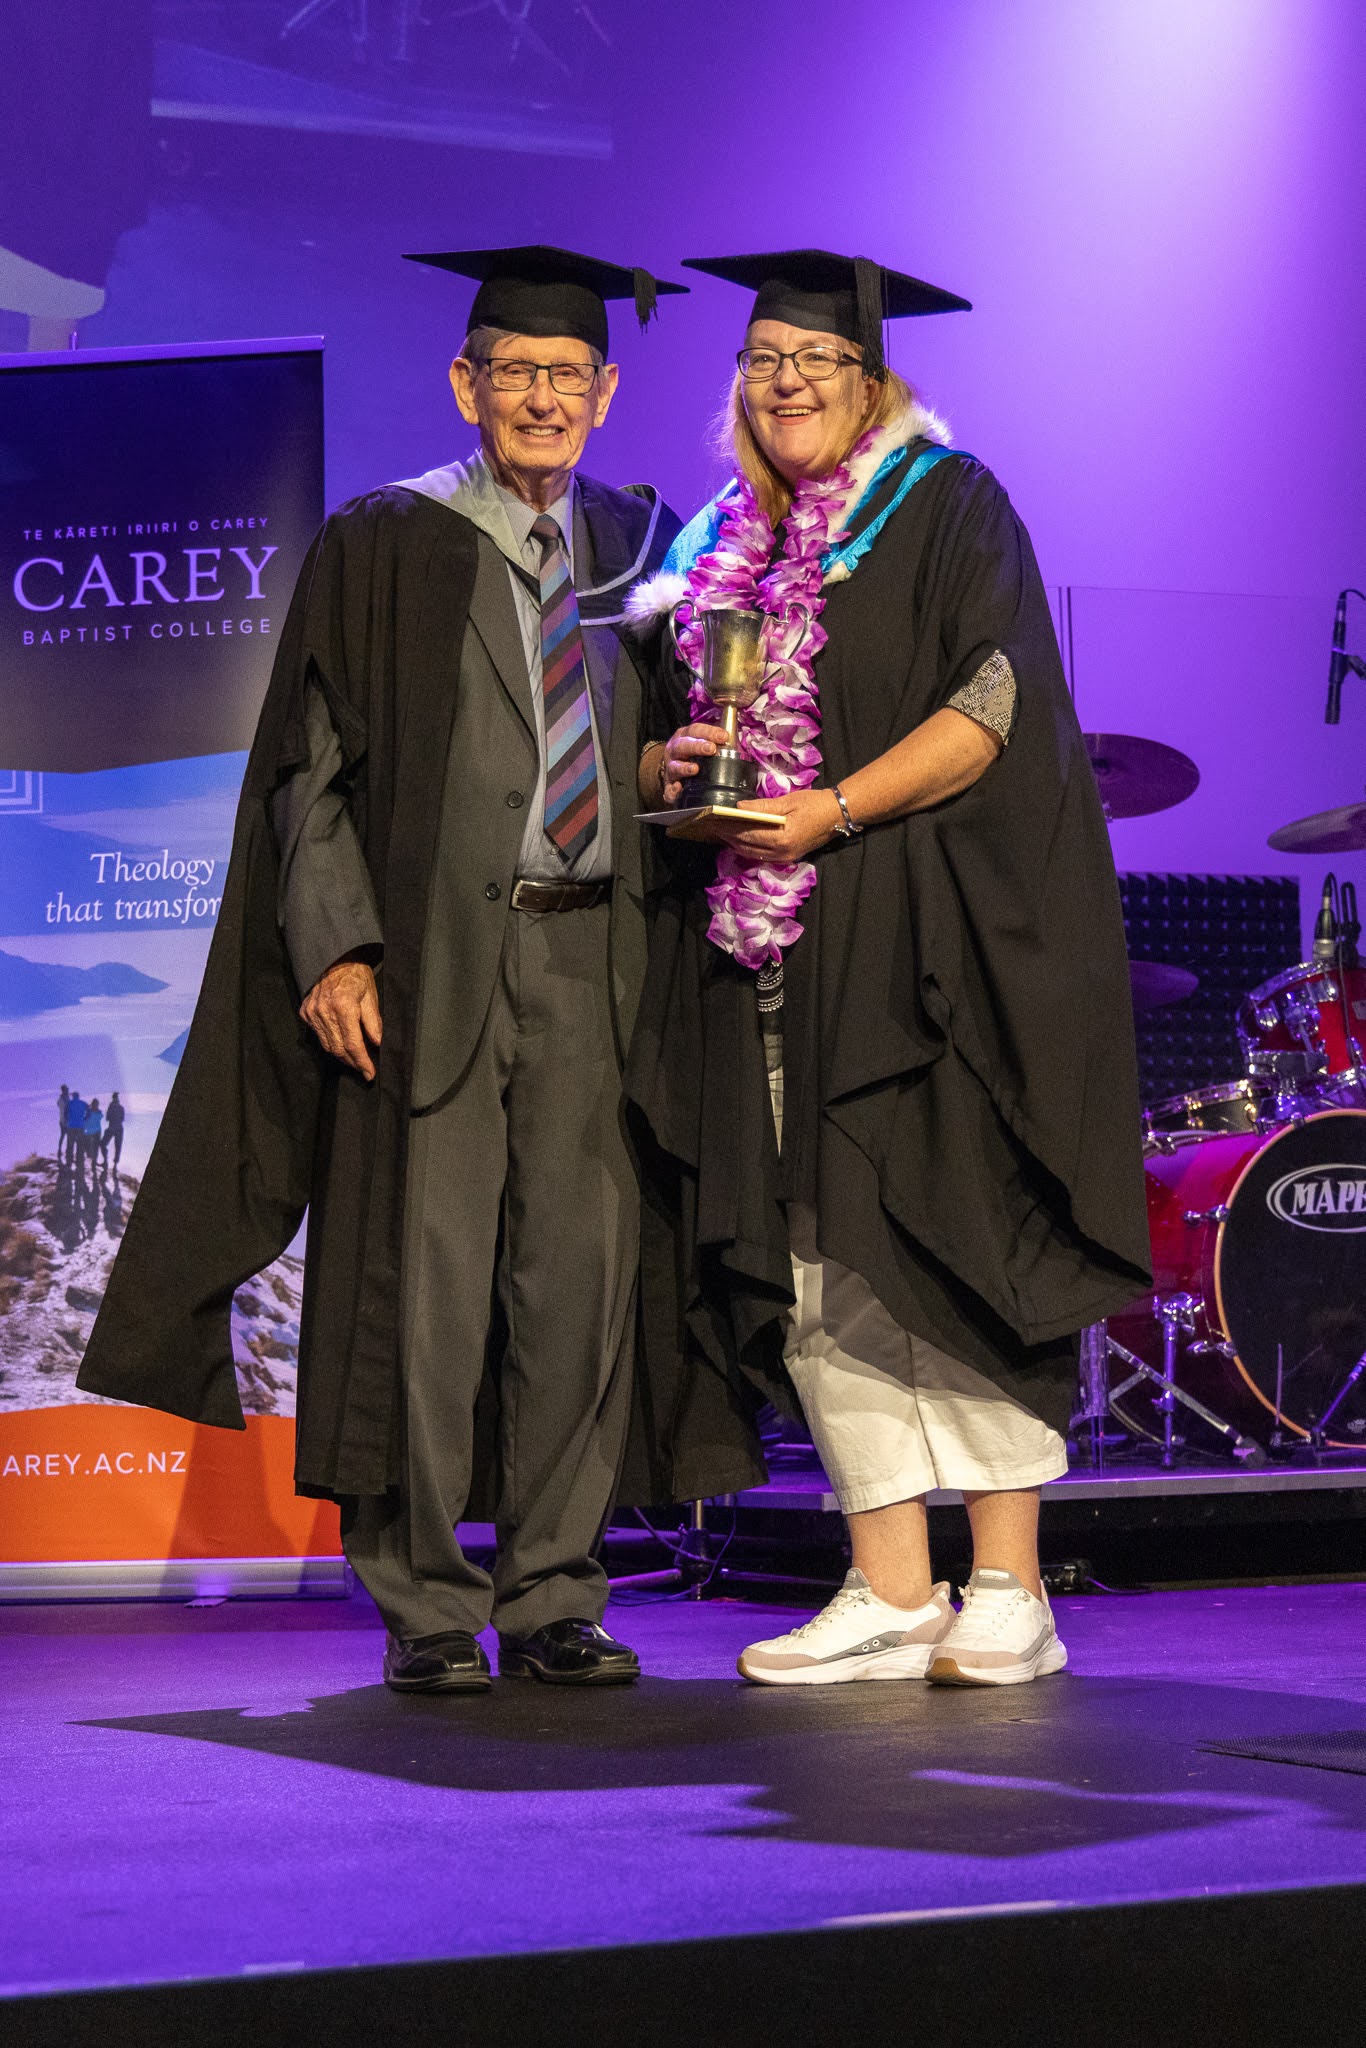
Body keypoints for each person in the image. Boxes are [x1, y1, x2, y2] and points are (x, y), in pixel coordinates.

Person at [78, 246, 758, 1695]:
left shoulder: (645, 550)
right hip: (440, 963)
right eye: (514, 372)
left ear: (605, 391)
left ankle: (556, 1589)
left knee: (578, 1287)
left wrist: (675, 767)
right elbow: (309, 768)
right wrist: (336, 943)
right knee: (428, 1291)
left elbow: (648, 750)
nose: (541, 399)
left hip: (599, 959)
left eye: (566, 375)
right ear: (465, 384)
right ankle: (430, 1608)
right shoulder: (384, 539)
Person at [626, 249, 1151, 1689]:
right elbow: (674, 740)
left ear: (871, 382)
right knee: (812, 1258)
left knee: (945, 1236)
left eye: (816, 361)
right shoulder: (720, 547)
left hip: (921, 942)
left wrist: (833, 808)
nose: (785, 382)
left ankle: (1009, 1584)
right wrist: (679, 762)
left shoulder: (945, 505)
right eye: (762, 361)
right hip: (767, 950)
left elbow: (992, 701)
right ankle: (892, 1585)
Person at [63, 1090, 87, 1175]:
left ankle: (69, 1162)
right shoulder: (83, 1103)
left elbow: (65, 1114)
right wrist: (84, 1120)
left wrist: (68, 1121)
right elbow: (89, 1113)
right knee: (80, 1145)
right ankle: (79, 1162)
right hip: (80, 1126)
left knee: (70, 1144)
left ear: (73, 1096)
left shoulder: (69, 1104)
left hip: (71, 1126)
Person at [101, 1091, 125, 1169]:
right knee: (118, 1147)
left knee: (103, 1144)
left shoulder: (111, 1107)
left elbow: (107, 1118)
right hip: (119, 1128)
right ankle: (115, 1165)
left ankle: (106, 1161)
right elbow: (122, 1119)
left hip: (112, 1127)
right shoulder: (121, 1108)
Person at [83, 1097, 104, 1175]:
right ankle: (93, 1163)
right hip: (96, 1132)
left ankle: (92, 1161)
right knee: (95, 1148)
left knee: (89, 1148)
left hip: (89, 1132)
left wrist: (88, 1107)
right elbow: (101, 1116)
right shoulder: (99, 1113)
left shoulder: (89, 1112)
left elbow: (84, 1120)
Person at [56, 1084, 70, 1163]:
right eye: (67, 1089)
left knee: (63, 1135)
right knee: (67, 1135)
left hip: (62, 1120)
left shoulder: (62, 1098)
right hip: (65, 1120)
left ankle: (60, 1150)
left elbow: (57, 1104)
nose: (68, 1090)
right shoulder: (64, 1099)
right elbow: (66, 1109)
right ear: (64, 1090)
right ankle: (65, 1151)